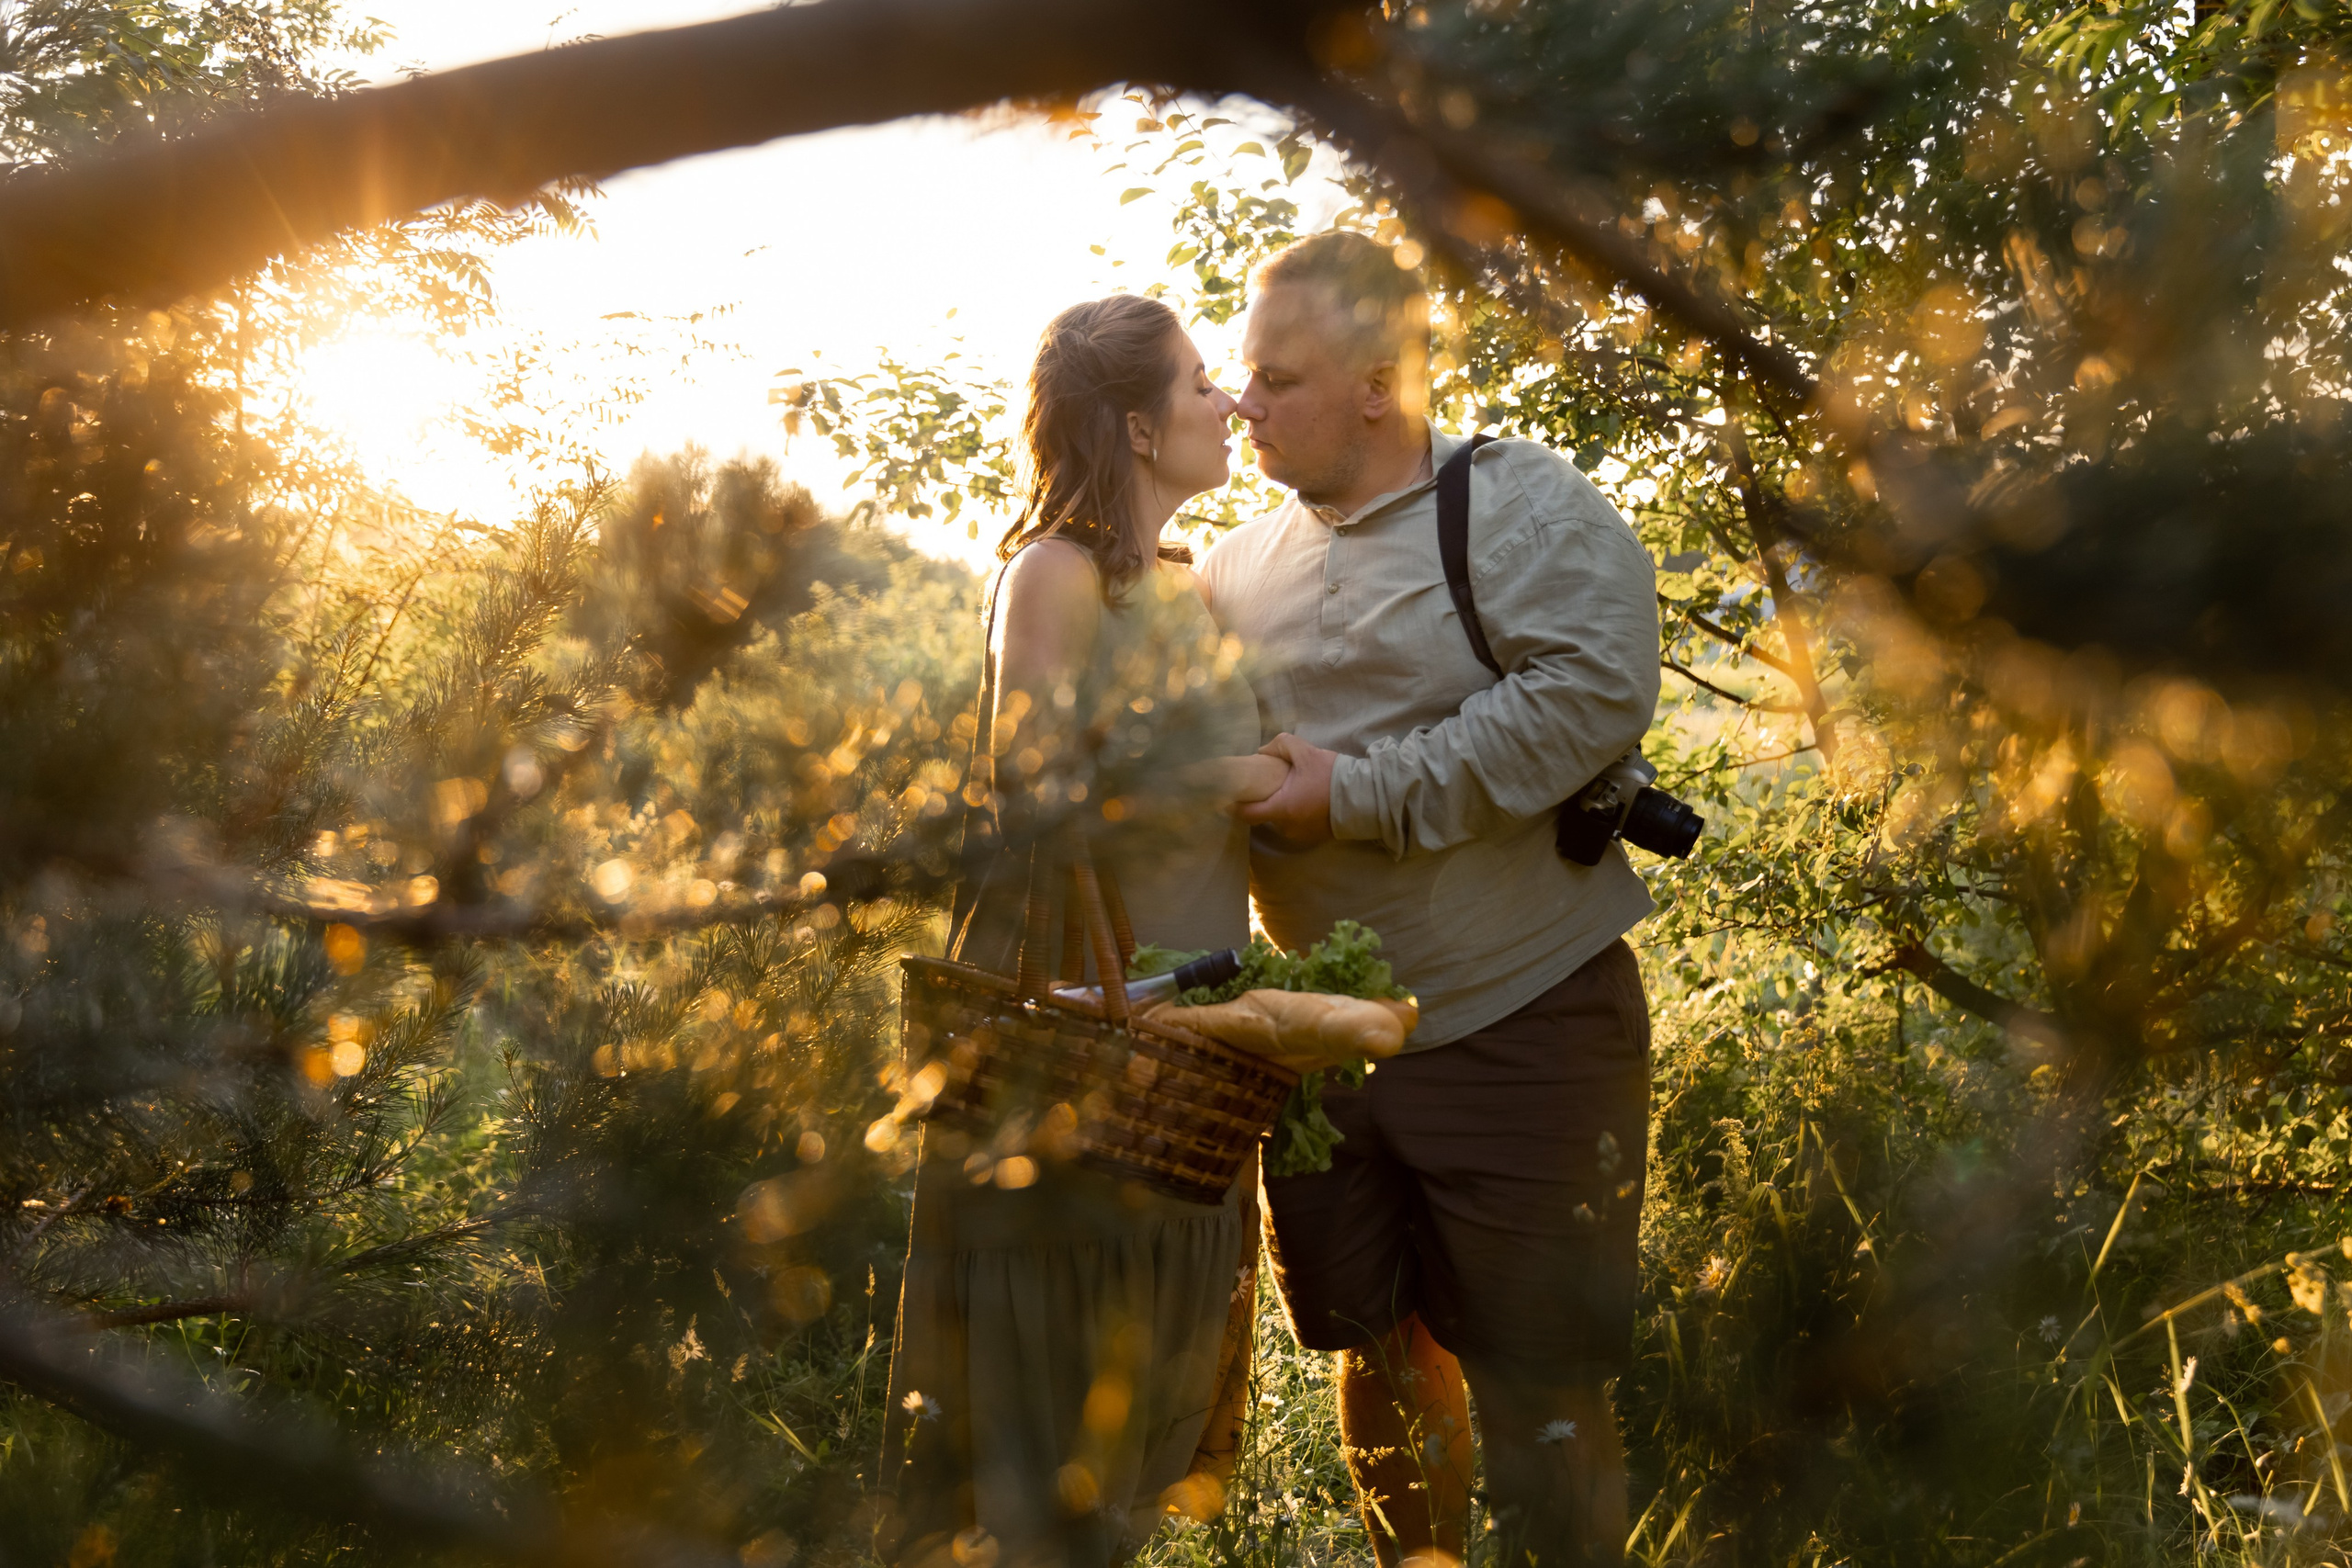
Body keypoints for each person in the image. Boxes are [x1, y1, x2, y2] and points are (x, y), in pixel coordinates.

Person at [1196, 231, 1661, 1567]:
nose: (1246, 403)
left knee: (1542, 1381)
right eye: (1240, 376)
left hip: (1522, 1019)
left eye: (1278, 379)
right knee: (1380, 1358)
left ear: (1380, 384)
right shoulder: (1233, 571)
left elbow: (1591, 694)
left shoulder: (1518, 507)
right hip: (1328, 1049)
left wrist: (1356, 793)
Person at [880, 294, 1286, 1568]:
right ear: (1134, 426)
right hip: (1075, 1028)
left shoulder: (1190, 588)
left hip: (1189, 1040)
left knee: (1142, 1405)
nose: (1227, 403)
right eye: (1201, 383)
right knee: (1047, 1404)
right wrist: (1235, 777)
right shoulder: (1051, 572)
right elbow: (1032, 790)